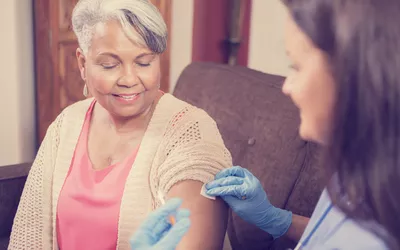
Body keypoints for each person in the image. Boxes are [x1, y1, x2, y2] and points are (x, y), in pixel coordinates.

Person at [130, 0, 400, 249]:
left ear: (355, 78)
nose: (287, 86)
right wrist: (276, 220)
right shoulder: (359, 173)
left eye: (296, 67)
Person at [8, 0, 232, 249]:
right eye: (109, 65)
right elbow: (29, 232)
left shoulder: (191, 133)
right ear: (83, 64)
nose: (128, 79)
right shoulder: (66, 124)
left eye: (144, 62)